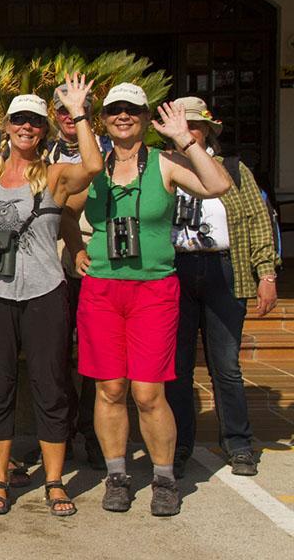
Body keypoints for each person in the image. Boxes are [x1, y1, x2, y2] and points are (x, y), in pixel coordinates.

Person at [76, 83, 231, 517]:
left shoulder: (165, 163)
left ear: (146, 118)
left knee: (147, 392)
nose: (123, 116)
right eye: (114, 110)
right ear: (103, 118)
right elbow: (61, 209)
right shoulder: (93, 165)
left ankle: (163, 478)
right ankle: (118, 475)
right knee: (109, 389)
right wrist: (76, 248)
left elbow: (218, 184)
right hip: (102, 290)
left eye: (132, 110)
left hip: (153, 290)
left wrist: (185, 138)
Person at [0, 79, 103, 517]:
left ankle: (55, 482)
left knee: (51, 386)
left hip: (44, 294)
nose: (27, 127)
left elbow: (94, 166)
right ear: (6, 127)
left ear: (42, 129)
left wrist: (79, 114)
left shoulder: (55, 176)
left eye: (35, 122)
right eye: (19, 120)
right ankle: (0, 481)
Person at [164, 97, 279, 478]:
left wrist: (266, 275)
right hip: (175, 269)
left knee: (226, 365)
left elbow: (259, 222)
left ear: (207, 131)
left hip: (223, 269)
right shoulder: (162, 166)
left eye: (194, 126)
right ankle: (178, 444)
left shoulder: (232, 169)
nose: (187, 132)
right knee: (177, 367)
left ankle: (239, 443)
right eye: (181, 125)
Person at [42, 83, 108, 470]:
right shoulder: (38, 153)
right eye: (63, 110)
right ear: (54, 114)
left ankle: (93, 434)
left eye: (77, 110)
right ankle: (58, 434)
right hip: (51, 266)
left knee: (93, 355)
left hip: (95, 264)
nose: (69, 116)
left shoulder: (108, 152)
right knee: (54, 357)